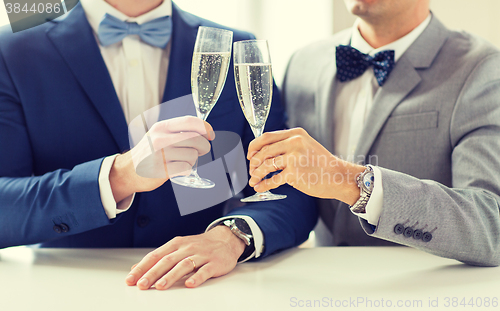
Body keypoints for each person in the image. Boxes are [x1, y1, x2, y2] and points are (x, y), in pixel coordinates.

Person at [0, 0, 317, 290]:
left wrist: (233, 235)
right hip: (61, 291)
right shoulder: (13, 49)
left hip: (205, 291)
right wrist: (119, 176)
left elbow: (292, 187)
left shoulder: (235, 47)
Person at [247, 0, 500, 266]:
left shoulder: (479, 68)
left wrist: (348, 181)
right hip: (316, 285)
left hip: (422, 291)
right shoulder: (303, 63)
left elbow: (490, 227)